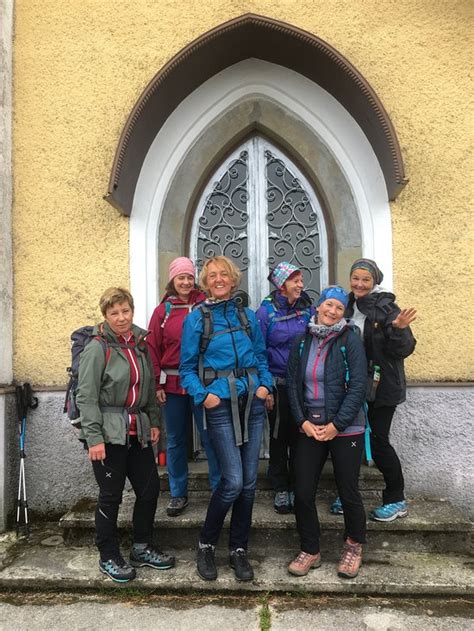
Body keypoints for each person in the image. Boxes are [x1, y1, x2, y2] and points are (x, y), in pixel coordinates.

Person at [180, 256, 273, 582]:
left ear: (233, 280)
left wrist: (265, 385)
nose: (218, 279)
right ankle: (206, 543)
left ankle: (238, 550)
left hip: (253, 404)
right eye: (212, 275)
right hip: (219, 407)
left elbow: (260, 357)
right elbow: (186, 370)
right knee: (232, 481)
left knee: (248, 484)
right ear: (205, 282)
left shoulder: (247, 316)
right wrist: (204, 395)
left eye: (224, 275)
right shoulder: (196, 319)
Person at [76, 287, 175, 583]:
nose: (121, 318)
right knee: (111, 496)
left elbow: (148, 389)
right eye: (114, 313)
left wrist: (154, 421)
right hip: (108, 434)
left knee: (149, 490)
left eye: (125, 311)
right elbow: (86, 396)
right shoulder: (98, 347)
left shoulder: (139, 345)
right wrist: (93, 438)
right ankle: (108, 555)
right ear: (105, 315)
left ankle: (141, 547)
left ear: (132, 310)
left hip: (138, 430)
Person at [286, 286, 367, 579]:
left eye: (339, 308)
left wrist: (337, 426)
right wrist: (302, 422)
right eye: (328, 305)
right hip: (310, 426)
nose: (333, 312)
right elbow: (293, 385)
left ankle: (353, 546)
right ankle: (311, 549)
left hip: (346, 427)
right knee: (304, 491)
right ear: (318, 307)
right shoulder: (301, 340)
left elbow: (358, 385)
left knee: (348, 490)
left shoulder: (351, 340)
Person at [330, 259, 416, 522]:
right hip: (350, 386)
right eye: (355, 278)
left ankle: (396, 498)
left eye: (365, 280)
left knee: (378, 442)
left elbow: (404, 349)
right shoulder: (345, 306)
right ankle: (348, 494)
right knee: (348, 440)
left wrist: (398, 330)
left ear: (374, 281)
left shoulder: (387, 308)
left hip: (382, 387)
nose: (359, 284)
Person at [147, 257, 220, 517]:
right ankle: (178, 493)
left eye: (190, 277)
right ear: (172, 280)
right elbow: (152, 348)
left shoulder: (206, 306)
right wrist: (157, 383)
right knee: (176, 441)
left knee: (211, 436)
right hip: (173, 385)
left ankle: (219, 490)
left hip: (203, 383)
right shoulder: (163, 311)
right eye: (181, 278)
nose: (186, 282)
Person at [256, 262, 314, 514]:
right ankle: (280, 486)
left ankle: (298, 484)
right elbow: (258, 351)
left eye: (301, 280)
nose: (300, 285)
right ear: (282, 284)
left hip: (303, 385)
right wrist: (265, 386)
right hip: (277, 384)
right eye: (295, 280)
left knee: (301, 435)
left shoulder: (307, 309)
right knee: (279, 436)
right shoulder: (265, 311)